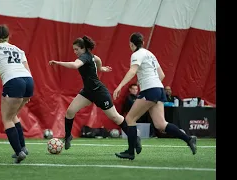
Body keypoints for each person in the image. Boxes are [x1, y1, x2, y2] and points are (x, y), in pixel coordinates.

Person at [49, 35, 142, 154]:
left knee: (115, 117)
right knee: (70, 112)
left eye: (76, 49)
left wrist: (57, 62)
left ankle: (135, 138)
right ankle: (68, 136)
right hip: (87, 92)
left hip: (99, 92)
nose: (75, 52)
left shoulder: (85, 56)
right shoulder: (90, 56)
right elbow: (97, 59)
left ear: (83, 48)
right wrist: (101, 68)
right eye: (74, 49)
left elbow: (74, 65)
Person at [113, 32, 197, 160]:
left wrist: (119, 86)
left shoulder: (136, 54)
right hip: (159, 88)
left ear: (132, 44)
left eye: (130, 45)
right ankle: (189, 139)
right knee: (161, 124)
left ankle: (131, 151)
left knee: (130, 118)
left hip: (150, 90)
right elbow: (162, 75)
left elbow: (132, 70)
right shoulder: (150, 54)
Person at [0, 24, 34, 164]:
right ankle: (23, 147)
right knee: (13, 116)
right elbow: (27, 69)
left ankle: (19, 152)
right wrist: (27, 93)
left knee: (6, 119)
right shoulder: (18, 49)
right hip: (28, 81)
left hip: (14, 81)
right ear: (8, 36)